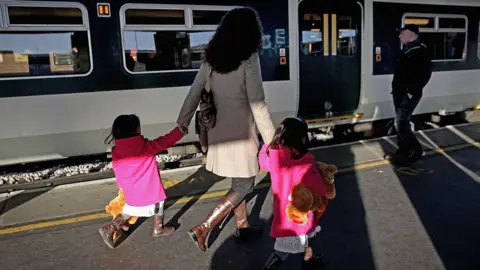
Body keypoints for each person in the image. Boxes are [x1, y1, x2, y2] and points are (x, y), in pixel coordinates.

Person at [176, 7, 276, 251]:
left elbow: (194, 91)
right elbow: (258, 104)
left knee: (237, 180)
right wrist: (273, 141)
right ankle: (204, 227)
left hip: (218, 131)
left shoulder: (211, 58)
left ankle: (242, 226)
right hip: (241, 133)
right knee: (244, 185)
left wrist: (183, 120)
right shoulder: (249, 59)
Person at [98, 114, 188, 248]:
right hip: (149, 192)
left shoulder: (116, 151)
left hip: (131, 193)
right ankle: (158, 228)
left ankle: (110, 227)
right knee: (159, 204)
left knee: (130, 210)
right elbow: (165, 141)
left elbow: (117, 169)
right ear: (136, 131)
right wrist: (179, 131)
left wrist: (122, 187)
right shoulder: (146, 146)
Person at [258, 118, 326, 270]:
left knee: (306, 235)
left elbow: (262, 159)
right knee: (286, 248)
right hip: (299, 214)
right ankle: (270, 267)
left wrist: (265, 147)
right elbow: (320, 189)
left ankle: (310, 255)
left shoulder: (274, 158)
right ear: (302, 139)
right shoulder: (305, 161)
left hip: (282, 213)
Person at [385, 24, 432, 165]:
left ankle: (415, 151)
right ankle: (403, 152)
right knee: (401, 123)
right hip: (399, 93)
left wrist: (411, 91)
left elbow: (425, 75)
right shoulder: (405, 51)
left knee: (400, 123)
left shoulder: (420, 52)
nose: (399, 36)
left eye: (402, 33)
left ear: (411, 34)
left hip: (408, 95)